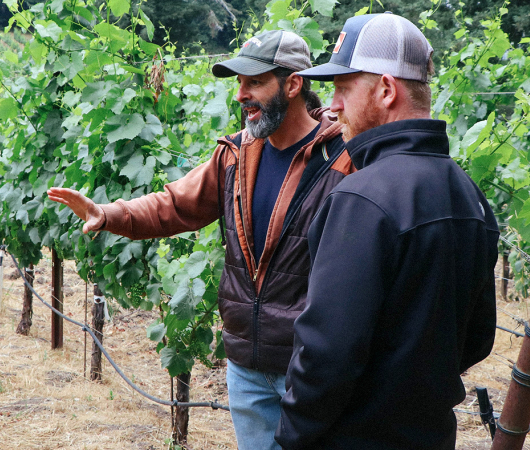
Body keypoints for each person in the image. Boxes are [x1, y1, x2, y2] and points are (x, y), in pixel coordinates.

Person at [47, 30, 352, 450]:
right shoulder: (236, 154)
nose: (241, 94)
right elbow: (175, 204)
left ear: (294, 83)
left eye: (254, 82)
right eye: (238, 83)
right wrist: (109, 214)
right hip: (246, 366)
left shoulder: (342, 158)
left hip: (311, 368)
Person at [275, 13, 499, 450]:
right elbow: (477, 338)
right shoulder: (468, 194)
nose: (333, 105)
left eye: (343, 88)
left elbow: (326, 355)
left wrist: (290, 436)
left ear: (385, 89)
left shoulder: (360, 198)